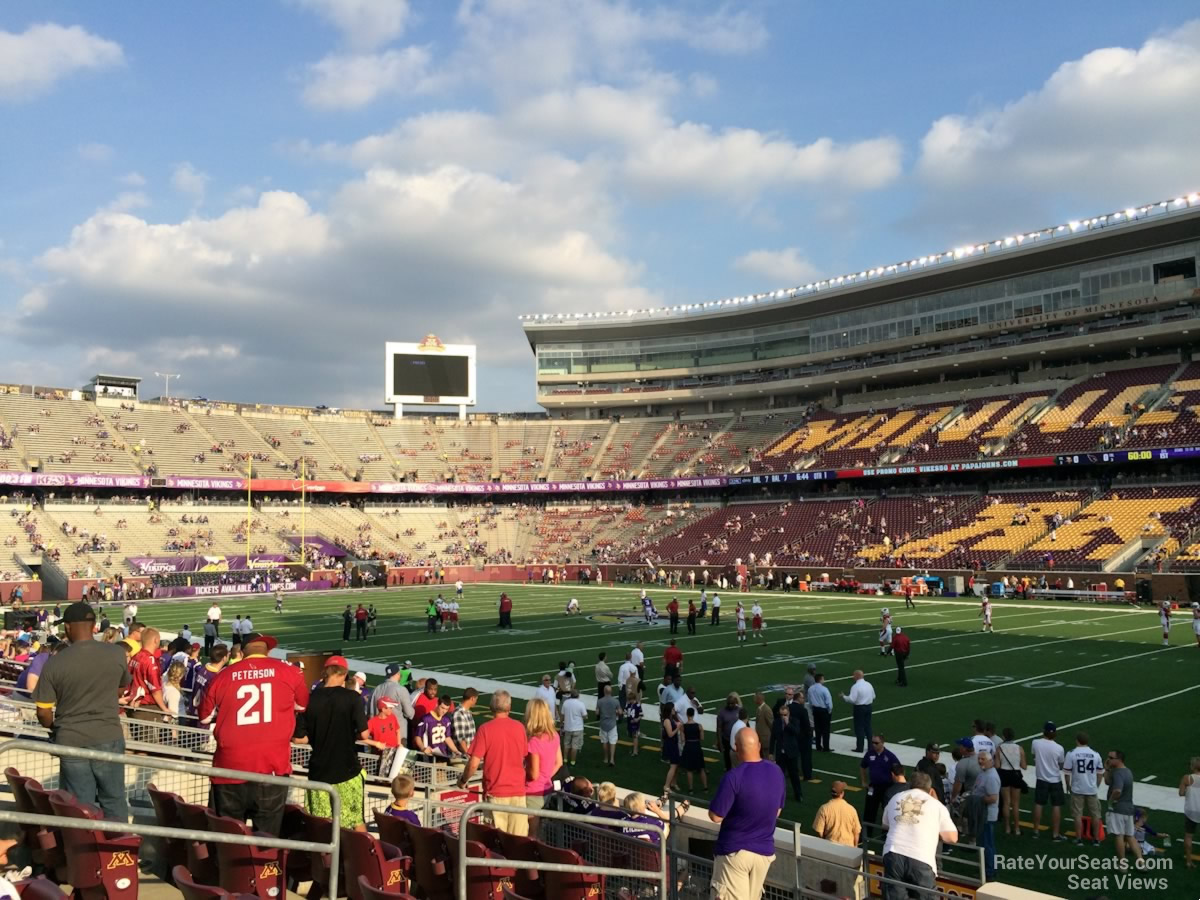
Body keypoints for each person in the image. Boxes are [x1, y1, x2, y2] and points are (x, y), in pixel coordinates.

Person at [197, 632, 308, 836]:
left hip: (229, 768)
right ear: (269, 650)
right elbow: (301, 704)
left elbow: (204, 717)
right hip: (271, 768)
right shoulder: (289, 672)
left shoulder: (223, 675)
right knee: (267, 842)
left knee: (228, 840)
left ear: (240, 651)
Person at [33, 602, 131, 823]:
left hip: (70, 738)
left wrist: (52, 726)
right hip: (108, 734)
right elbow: (121, 687)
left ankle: (83, 854)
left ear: (67, 628)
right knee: (114, 799)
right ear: (94, 625)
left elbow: (43, 711)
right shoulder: (116, 653)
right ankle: (118, 851)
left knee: (80, 805)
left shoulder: (55, 663)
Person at [707, 729, 785, 900]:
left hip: (735, 851)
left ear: (736, 748)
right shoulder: (776, 771)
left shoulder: (733, 777)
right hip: (763, 852)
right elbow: (777, 811)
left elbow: (716, 816)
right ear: (758, 745)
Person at [303, 655, 378, 831]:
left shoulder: (310, 699)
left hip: (319, 771)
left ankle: (325, 859)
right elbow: (363, 733)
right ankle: (358, 859)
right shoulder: (352, 697)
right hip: (347, 770)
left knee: (321, 827)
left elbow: (299, 738)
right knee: (355, 821)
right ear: (344, 675)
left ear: (324, 673)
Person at [457, 690, 529, 836]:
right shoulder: (519, 728)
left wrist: (463, 780)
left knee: (497, 844)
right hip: (518, 792)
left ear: (491, 707)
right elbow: (523, 758)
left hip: (496, 793)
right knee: (519, 842)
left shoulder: (485, 729)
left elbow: (473, 764)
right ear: (509, 707)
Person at [880, 771, 958, 899]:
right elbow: (952, 837)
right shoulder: (937, 805)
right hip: (921, 858)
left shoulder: (896, 797)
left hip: (893, 853)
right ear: (930, 789)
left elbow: (885, 823)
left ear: (910, 784)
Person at [523, 697, 562, 836]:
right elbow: (559, 762)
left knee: (531, 833)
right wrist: (546, 776)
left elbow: (533, 774)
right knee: (541, 830)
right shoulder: (554, 735)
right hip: (547, 788)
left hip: (533, 791)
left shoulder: (534, 741)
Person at [1065, 731, 1104, 846]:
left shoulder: (1071, 753)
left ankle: (1079, 838)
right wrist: (1096, 785)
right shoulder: (1095, 754)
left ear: (1077, 741)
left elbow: (1067, 772)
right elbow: (1100, 773)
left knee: (1077, 814)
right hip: (1091, 789)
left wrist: (1068, 785)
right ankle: (1096, 839)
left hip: (1077, 788)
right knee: (1095, 814)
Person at [1104, 750, 1142, 866]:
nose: (1108, 759)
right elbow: (1107, 782)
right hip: (1129, 808)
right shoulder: (1127, 771)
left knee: (1119, 835)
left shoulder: (1118, 773)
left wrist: (1110, 802)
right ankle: (1141, 862)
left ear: (1119, 760)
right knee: (1130, 836)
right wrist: (1107, 769)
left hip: (1118, 809)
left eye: (1111, 757)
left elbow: (1117, 790)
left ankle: (1122, 864)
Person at [1031, 720, 1066, 840]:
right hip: (1055, 779)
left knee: (1039, 804)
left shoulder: (1035, 743)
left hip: (1041, 778)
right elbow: (1061, 765)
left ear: (1043, 731)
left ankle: (1036, 830)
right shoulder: (1059, 748)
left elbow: (1034, 756)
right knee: (1056, 806)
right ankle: (1055, 834)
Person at [861, 734, 902, 824]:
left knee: (887, 810)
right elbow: (863, 766)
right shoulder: (869, 754)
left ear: (882, 743)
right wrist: (864, 781)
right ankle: (867, 833)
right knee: (869, 811)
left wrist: (896, 784)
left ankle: (885, 833)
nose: (874, 745)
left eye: (876, 743)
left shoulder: (890, 756)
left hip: (886, 788)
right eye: (872, 743)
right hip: (873, 787)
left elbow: (899, 770)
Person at [973, 751, 1000, 880]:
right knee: (983, 843)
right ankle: (986, 869)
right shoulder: (983, 773)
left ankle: (990, 871)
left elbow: (993, 798)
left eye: (983, 759)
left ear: (990, 761)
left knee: (987, 844)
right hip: (982, 814)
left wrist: (977, 799)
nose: (980, 761)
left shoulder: (991, 777)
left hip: (987, 815)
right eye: (979, 759)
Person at [996, 727, 1026, 836]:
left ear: (1004, 736)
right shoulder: (1019, 748)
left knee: (1006, 802)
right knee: (1016, 803)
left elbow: (998, 765)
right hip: (1016, 775)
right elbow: (1024, 766)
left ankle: (1007, 827)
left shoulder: (1000, 748)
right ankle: (1017, 828)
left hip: (1004, 774)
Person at [812, 781, 861, 848]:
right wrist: (855, 846)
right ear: (842, 793)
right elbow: (856, 832)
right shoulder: (851, 809)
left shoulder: (824, 808)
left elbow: (819, 831)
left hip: (830, 846)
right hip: (848, 848)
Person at [842, 670, 875, 753]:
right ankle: (871, 746)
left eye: (853, 675)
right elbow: (873, 696)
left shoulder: (855, 686)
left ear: (857, 676)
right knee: (868, 726)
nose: (853, 677)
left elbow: (852, 699)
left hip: (859, 708)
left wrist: (844, 697)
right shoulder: (869, 684)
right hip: (869, 706)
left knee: (859, 727)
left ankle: (860, 747)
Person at [1178, 756, 1200, 868]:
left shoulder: (1187, 778)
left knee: (1189, 836)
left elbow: (1181, 793)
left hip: (1191, 810)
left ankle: (1189, 861)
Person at [681, 707, 707, 792]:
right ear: (693, 714)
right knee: (701, 768)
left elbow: (682, 739)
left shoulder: (683, 726)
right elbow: (702, 738)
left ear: (687, 715)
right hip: (697, 746)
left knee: (689, 769)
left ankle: (691, 789)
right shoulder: (699, 726)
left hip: (688, 747)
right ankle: (705, 787)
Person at [596, 684, 622, 767]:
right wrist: (616, 712)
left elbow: (597, 712)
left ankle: (606, 757)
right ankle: (612, 759)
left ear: (604, 691)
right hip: (612, 724)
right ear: (611, 692)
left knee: (604, 741)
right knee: (612, 741)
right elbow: (620, 712)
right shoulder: (615, 701)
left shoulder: (600, 701)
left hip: (603, 723)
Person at [716, 693, 742, 771]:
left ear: (736, 703)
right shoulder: (722, 712)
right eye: (729, 704)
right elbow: (719, 728)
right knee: (728, 761)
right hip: (727, 740)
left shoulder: (739, 710)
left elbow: (745, 723)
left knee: (739, 760)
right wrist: (719, 742)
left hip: (738, 740)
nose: (730, 705)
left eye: (732, 704)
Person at [560, 688, 587, 766]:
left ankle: (565, 759)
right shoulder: (581, 704)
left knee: (566, 744)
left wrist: (561, 724)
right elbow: (585, 716)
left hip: (568, 727)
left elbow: (562, 715)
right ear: (578, 695)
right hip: (578, 728)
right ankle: (572, 761)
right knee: (575, 746)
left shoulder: (566, 703)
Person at [661, 704, 683, 794]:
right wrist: (677, 728)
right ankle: (666, 786)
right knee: (673, 765)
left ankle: (673, 782)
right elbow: (670, 734)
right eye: (673, 708)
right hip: (670, 744)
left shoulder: (672, 719)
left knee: (676, 765)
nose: (674, 710)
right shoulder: (667, 720)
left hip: (674, 743)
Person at [808, 673, 833, 752]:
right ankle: (826, 747)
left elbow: (809, 700)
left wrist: (813, 707)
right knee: (825, 730)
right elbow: (828, 701)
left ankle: (818, 746)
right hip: (823, 710)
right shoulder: (824, 689)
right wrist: (829, 710)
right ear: (821, 679)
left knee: (817, 729)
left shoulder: (810, 689)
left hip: (815, 710)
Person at [625, 688, 643, 756]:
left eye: (630, 700)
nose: (630, 701)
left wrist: (637, 719)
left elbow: (641, 714)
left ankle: (635, 751)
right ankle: (634, 749)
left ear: (633, 699)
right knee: (631, 735)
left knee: (635, 736)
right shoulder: (629, 704)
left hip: (635, 723)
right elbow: (626, 711)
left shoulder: (637, 705)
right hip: (629, 722)